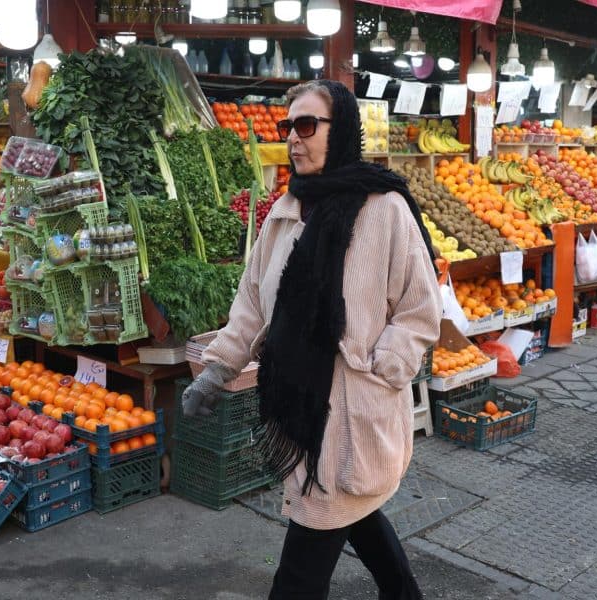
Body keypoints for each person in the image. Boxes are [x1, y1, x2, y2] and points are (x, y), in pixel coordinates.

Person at [182, 80, 442, 599]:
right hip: (300, 404)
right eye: (287, 127)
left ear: (339, 129)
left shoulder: (383, 208)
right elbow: (253, 303)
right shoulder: (285, 212)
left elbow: (420, 308)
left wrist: (382, 366)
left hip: (355, 407)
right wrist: (217, 370)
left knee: (305, 562)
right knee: (353, 513)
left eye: (306, 125)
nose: (293, 139)